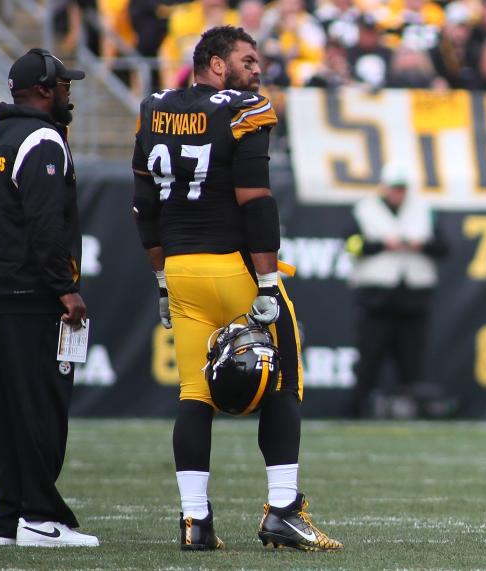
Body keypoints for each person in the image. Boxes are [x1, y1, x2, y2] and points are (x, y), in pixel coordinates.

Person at [130, 25, 343, 552]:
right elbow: (255, 200)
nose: (257, 69)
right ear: (216, 64)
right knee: (285, 383)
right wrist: (267, 281)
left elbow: (145, 207)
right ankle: (284, 512)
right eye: (247, 59)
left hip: (180, 271)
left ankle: (195, 523)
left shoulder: (155, 107)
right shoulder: (244, 109)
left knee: (194, 395)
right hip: (234, 270)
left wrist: (160, 278)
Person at [0, 48, 98, 548]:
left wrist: (0, 248)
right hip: (32, 292)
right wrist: (66, 288)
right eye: (63, 85)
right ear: (43, 90)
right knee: (40, 403)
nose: (68, 92)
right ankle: (39, 516)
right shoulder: (43, 139)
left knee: (3, 408)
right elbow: (44, 224)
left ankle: (9, 519)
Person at [344, 162, 451, 419]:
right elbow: (350, 244)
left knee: (412, 363)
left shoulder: (423, 210)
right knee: (369, 361)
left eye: (402, 189)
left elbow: (444, 247)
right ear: (384, 188)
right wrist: (381, 244)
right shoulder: (365, 211)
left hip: (413, 299)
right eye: (394, 188)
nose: (399, 194)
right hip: (377, 299)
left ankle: (413, 412)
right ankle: (357, 411)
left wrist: (421, 244)